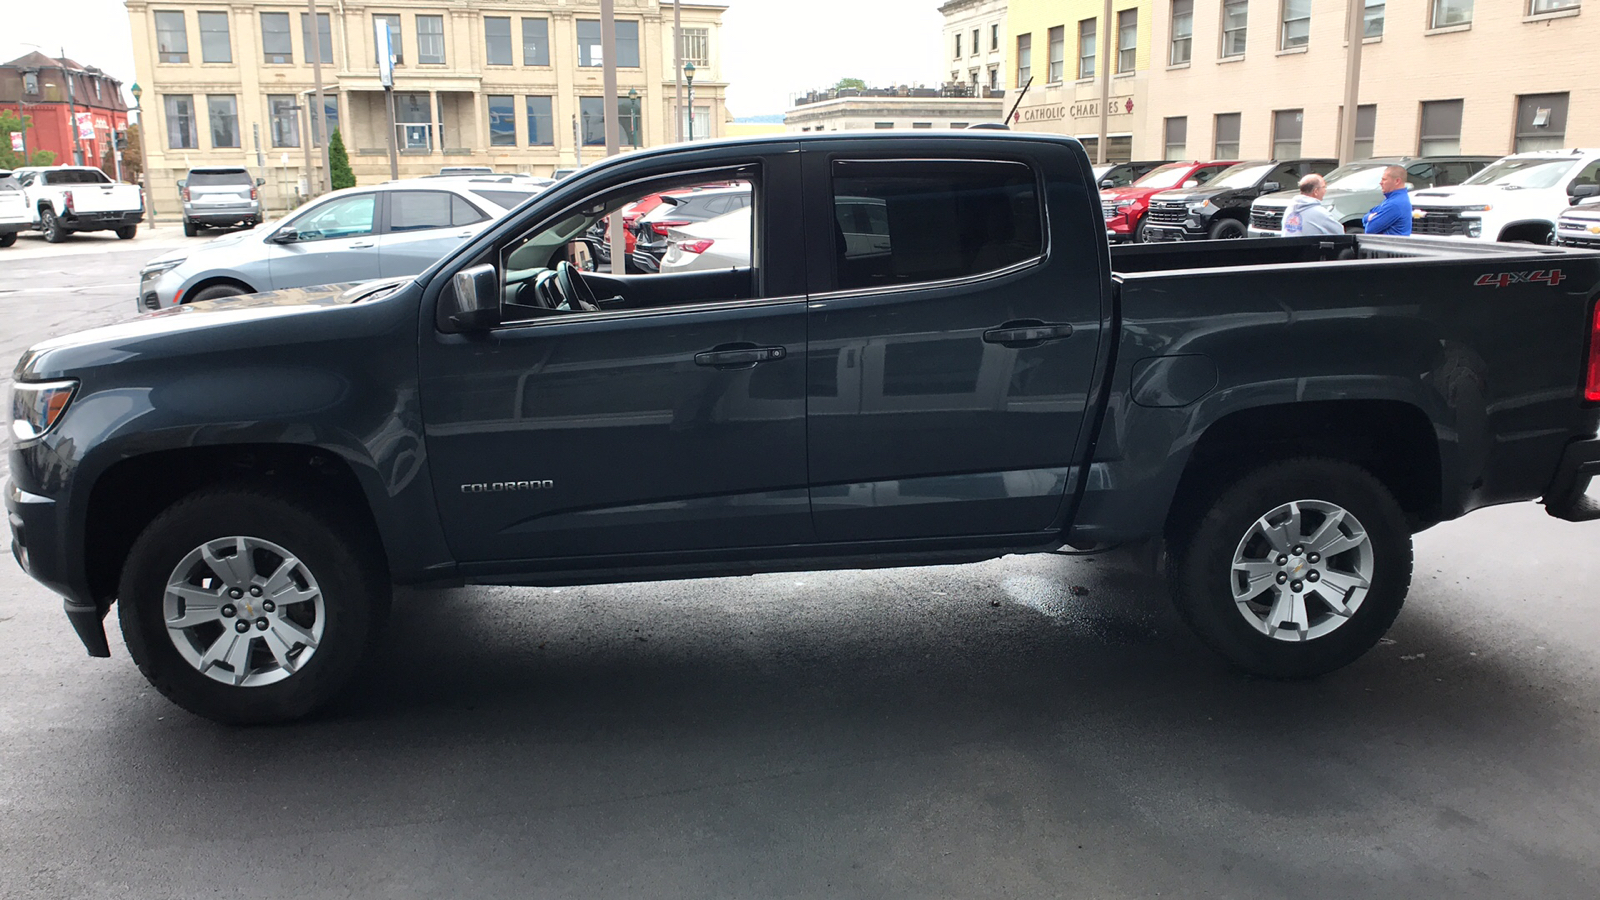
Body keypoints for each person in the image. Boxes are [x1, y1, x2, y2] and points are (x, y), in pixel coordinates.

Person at [1364, 165, 1413, 236]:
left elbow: (1369, 229)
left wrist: (1370, 218)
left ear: (1397, 181)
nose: (1380, 183)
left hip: (1390, 245)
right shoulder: (1392, 199)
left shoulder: (1395, 204)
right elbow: (1368, 214)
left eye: (1384, 179)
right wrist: (1368, 217)